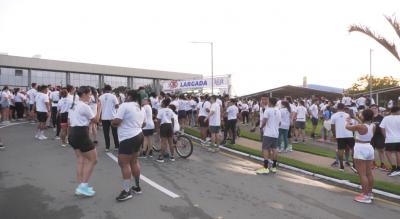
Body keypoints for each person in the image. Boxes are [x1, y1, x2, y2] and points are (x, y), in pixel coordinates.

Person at [111, 89, 145, 202]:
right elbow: (143, 123)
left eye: (126, 95)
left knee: (123, 163)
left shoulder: (125, 106)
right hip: (139, 135)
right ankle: (137, 187)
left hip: (128, 137)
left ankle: (126, 191)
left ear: (129, 96)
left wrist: (112, 122)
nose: (124, 97)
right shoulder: (140, 107)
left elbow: (116, 122)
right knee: (134, 161)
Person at [68, 86, 99, 197]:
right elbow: (95, 120)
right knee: (93, 159)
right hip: (81, 134)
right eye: (90, 94)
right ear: (85, 94)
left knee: (81, 159)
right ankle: (83, 186)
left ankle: (81, 186)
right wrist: (99, 107)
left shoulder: (74, 104)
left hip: (73, 133)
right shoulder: (84, 106)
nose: (91, 96)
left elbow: (70, 120)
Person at [345, 109, 375, 203]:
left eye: (361, 114)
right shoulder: (373, 125)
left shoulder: (359, 126)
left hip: (360, 148)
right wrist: (355, 117)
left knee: (362, 174)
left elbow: (347, 127)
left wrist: (348, 121)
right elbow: (362, 123)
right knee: (368, 172)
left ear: (364, 116)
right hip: (369, 147)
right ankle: (369, 193)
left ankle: (365, 196)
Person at [256, 97, 281, 174]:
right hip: (275, 133)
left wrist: (261, 127)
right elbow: (279, 123)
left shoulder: (268, 110)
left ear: (270, 102)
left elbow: (264, 121)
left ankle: (266, 167)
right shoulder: (278, 111)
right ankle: (274, 167)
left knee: (265, 149)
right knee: (274, 149)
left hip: (268, 133)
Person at [331, 103, 355, 171]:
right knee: (353, 149)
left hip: (340, 135)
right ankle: (354, 165)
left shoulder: (334, 115)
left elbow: (332, 127)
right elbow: (351, 124)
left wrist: (334, 135)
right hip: (349, 134)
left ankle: (341, 166)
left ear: (337, 108)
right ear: (344, 108)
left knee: (340, 150)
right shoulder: (348, 115)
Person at [380, 106, 400, 177]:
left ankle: (394, 169)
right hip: (398, 138)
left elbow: (382, 128)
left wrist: (385, 136)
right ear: (397, 111)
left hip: (390, 139)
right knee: (398, 153)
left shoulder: (386, 118)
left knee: (388, 153)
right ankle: (398, 169)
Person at [99, 85, 119, 152]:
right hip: (112, 117)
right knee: (114, 132)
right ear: (110, 90)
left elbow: (99, 107)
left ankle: (107, 147)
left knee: (106, 133)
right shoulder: (113, 96)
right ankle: (116, 146)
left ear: (104, 90)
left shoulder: (100, 97)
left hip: (104, 117)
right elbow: (117, 106)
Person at [370, 104, 388, 171]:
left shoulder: (382, 117)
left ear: (377, 109)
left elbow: (385, 127)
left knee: (381, 150)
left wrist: (385, 135)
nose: (373, 110)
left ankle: (382, 164)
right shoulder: (369, 117)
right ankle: (373, 163)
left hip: (379, 136)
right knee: (371, 150)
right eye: (372, 108)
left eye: (375, 108)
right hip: (371, 136)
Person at [156, 98, 175, 163]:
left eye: (161, 103)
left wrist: (157, 128)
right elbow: (172, 119)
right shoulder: (170, 110)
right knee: (171, 142)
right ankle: (172, 156)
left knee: (163, 142)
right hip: (169, 125)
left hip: (164, 126)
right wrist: (172, 127)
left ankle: (161, 157)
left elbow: (158, 121)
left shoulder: (160, 111)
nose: (161, 104)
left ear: (163, 104)